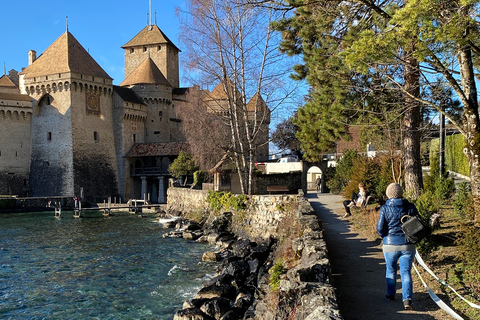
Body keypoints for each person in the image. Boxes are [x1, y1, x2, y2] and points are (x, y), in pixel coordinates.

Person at [376, 183, 418, 310]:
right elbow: (417, 224)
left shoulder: (385, 208)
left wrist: (385, 236)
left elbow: (380, 228)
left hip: (390, 244)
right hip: (407, 244)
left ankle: (390, 294)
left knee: (391, 270)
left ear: (388, 194)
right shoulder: (410, 207)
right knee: (406, 272)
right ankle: (407, 300)